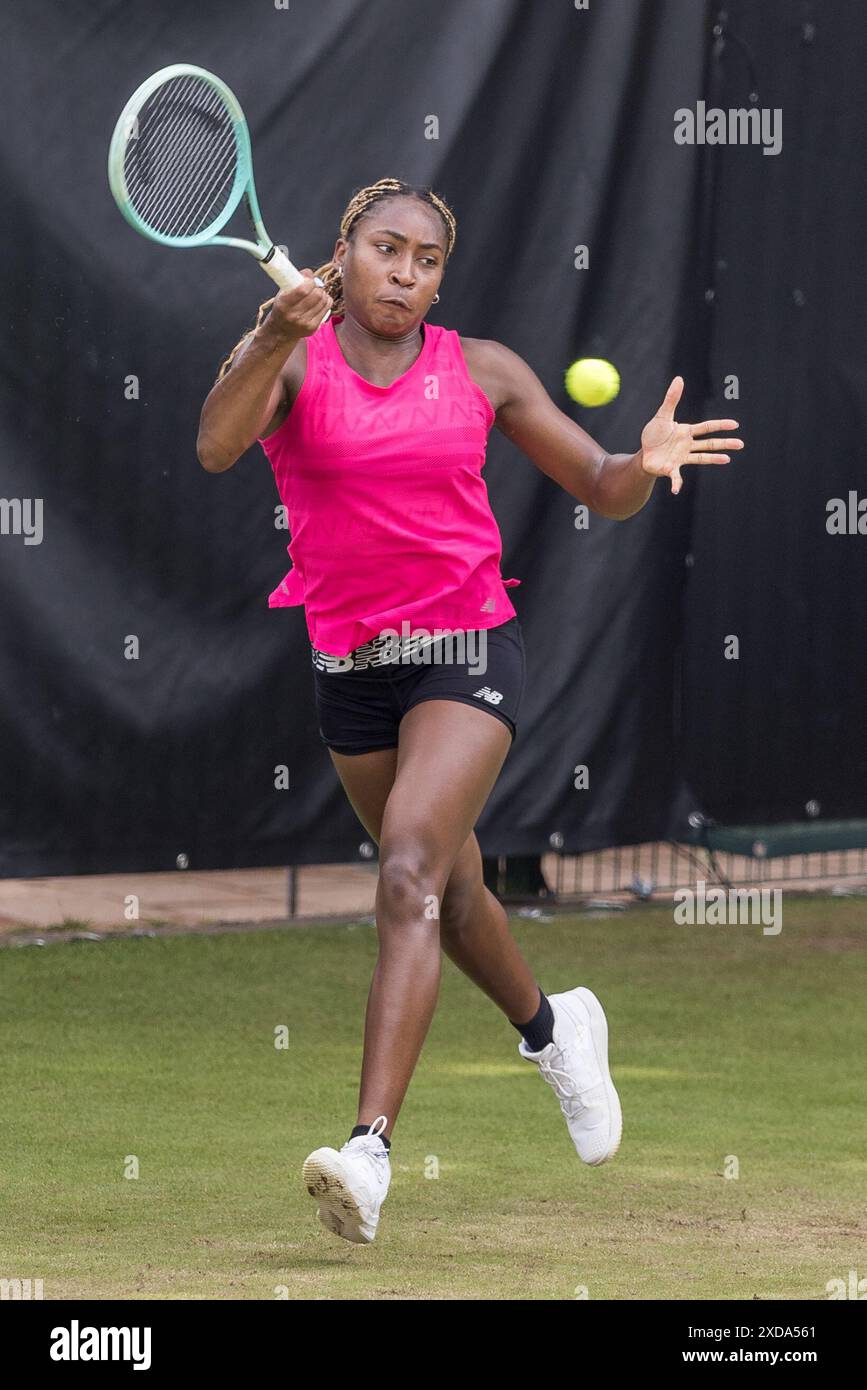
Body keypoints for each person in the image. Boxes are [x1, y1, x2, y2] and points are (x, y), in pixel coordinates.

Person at [197, 176, 742, 1245]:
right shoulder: (291, 356)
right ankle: (554, 1027)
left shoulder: (480, 370)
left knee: (406, 865)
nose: (405, 273)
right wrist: (267, 332)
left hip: (467, 648)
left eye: (426, 258)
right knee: (447, 895)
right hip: (349, 665)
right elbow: (216, 445)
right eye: (385, 249)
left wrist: (644, 461)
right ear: (341, 253)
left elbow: (598, 480)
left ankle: (368, 1152)